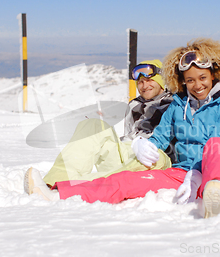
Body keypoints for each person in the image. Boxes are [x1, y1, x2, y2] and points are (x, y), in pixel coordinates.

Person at [26, 38, 220, 218]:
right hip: (179, 173)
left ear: (214, 75)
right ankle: (59, 191)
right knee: (124, 181)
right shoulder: (176, 107)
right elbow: (160, 137)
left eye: (203, 77)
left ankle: (218, 190)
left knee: (217, 143)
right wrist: (141, 145)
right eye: (190, 80)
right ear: (183, 82)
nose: (198, 85)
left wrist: (198, 173)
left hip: (213, 168)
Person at [25, 60, 173, 194]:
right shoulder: (134, 105)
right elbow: (130, 133)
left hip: (156, 156)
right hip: (130, 151)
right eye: (140, 82)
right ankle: (53, 182)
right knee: (93, 125)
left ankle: (68, 188)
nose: (144, 85)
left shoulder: (174, 103)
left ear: (160, 80)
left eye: (149, 80)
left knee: (152, 158)